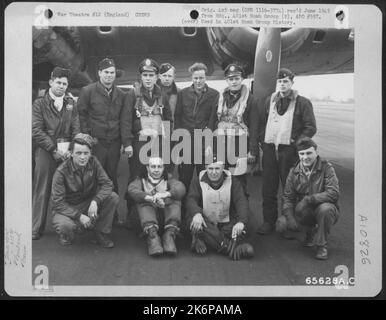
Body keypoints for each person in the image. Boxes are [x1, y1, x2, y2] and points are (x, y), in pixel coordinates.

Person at [257, 68, 317, 235]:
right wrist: (263, 140)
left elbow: (310, 127)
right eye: (280, 82)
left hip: (289, 152)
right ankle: (268, 222)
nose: (282, 84)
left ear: (292, 82)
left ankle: (289, 224)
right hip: (270, 150)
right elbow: (262, 123)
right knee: (268, 188)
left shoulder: (302, 102)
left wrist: (297, 144)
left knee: (289, 190)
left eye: (285, 81)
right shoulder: (270, 100)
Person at [32, 67, 80, 240]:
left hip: (66, 152)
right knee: (42, 189)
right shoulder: (39, 103)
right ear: (51, 82)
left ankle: (65, 229)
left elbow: (76, 127)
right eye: (58, 82)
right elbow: (36, 130)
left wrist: (73, 148)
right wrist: (53, 149)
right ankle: (36, 227)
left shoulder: (70, 103)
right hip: (46, 152)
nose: (61, 86)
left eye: (64, 83)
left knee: (67, 190)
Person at [51, 133, 119, 248]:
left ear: (90, 153)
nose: (83, 157)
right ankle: (68, 233)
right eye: (78, 153)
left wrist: (95, 201)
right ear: (71, 153)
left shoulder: (93, 162)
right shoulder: (61, 172)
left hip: (87, 203)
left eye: (86, 153)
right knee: (65, 226)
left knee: (112, 197)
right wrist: (79, 216)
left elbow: (108, 184)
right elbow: (58, 203)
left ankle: (100, 232)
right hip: (66, 208)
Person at [77, 58, 133, 193]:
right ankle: (94, 210)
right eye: (106, 72)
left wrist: (125, 142)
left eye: (112, 72)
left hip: (114, 143)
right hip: (96, 143)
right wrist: (87, 138)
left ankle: (113, 212)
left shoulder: (121, 94)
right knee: (94, 177)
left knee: (112, 177)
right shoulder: (87, 91)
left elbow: (124, 120)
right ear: (99, 73)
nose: (109, 75)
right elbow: (81, 116)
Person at [278, 137, 339, 260]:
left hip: (323, 208)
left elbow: (333, 193)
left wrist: (308, 199)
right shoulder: (294, 172)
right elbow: (288, 197)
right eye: (302, 154)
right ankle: (310, 232)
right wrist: (290, 218)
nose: (305, 157)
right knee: (281, 224)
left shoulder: (327, 168)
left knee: (325, 209)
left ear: (316, 152)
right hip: (304, 212)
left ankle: (322, 246)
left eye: (309, 153)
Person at [185, 156, 254, 260]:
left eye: (217, 169)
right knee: (192, 219)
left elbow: (241, 202)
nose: (214, 172)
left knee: (245, 222)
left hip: (225, 222)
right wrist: (197, 214)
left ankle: (203, 238)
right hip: (206, 221)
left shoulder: (233, 180)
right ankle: (229, 247)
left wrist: (241, 222)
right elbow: (191, 199)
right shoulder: (198, 180)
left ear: (223, 168)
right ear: (205, 168)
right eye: (210, 169)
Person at [215, 63, 260, 194]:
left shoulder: (251, 100)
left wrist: (252, 150)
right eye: (231, 79)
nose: (234, 82)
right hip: (221, 144)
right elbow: (214, 121)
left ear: (242, 79)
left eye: (236, 78)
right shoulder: (221, 99)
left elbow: (254, 125)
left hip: (239, 146)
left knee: (239, 180)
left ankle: (241, 212)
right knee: (220, 178)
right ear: (227, 81)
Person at [174, 62, 219, 192]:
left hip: (203, 141)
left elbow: (213, 119)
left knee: (204, 176)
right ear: (191, 78)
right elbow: (178, 117)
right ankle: (183, 208)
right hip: (186, 141)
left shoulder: (214, 95)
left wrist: (209, 142)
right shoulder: (183, 94)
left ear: (205, 78)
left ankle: (203, 207)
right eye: (196, 78)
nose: (198, 81)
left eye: (201, 78)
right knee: (185, 177)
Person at [127, 58, 173, 184]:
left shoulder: (162, 95)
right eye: (145, 75)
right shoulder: (133, 94)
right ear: (141, 77)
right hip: (139, 141)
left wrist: (168, 141)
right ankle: (134, 202)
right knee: (137, 173)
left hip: (158, 141)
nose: (148, 78)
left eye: (151, 75)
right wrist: (127, 143)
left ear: (156, 77)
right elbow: (125, 120)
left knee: (158, 173)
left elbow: (169, 119)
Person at [127, 157, 186, 256]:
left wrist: (166, 194)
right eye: (153, 167)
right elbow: (132, 189)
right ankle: (152, 237)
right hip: (146, 221)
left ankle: (169, 235)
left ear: (163, 168)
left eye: (159, 167)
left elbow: (181, 188)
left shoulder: (169, 178)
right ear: (147, 168)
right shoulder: (141, 180)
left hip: (165, 219)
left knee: (175, 198)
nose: (156, 170)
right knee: (143, 201)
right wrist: (150, 198)